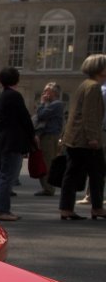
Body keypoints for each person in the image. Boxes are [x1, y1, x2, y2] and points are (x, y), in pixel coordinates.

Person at [58, 54, 106, 220]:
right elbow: (89, 114)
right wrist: (93, 137)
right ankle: (97, 207)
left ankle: (67, 208)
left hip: (75, 137)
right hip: (85, 140)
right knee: (97, 173)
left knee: (74, 173)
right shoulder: (93, 87)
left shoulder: (84, 85)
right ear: (100, 69)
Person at [0, 67, 37, 221]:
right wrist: (33, 136)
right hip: (12, 141)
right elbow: (25, 118)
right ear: (17, 80)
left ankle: (1, 209)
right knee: (7, 176)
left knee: (5, 175)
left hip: (3, 141)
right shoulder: (14, 96)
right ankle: (0, 210)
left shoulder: (4, 96)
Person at [33, 82, 65, 196]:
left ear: (54, 92)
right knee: (45, 161)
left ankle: (48, 188)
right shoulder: (51, 104)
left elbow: (41, 115)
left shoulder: (56, 104)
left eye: (47, 91)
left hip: (50, 136)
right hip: (46, 135)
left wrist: (42, 103)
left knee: (47, 161)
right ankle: (46, 186)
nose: (44, 93)